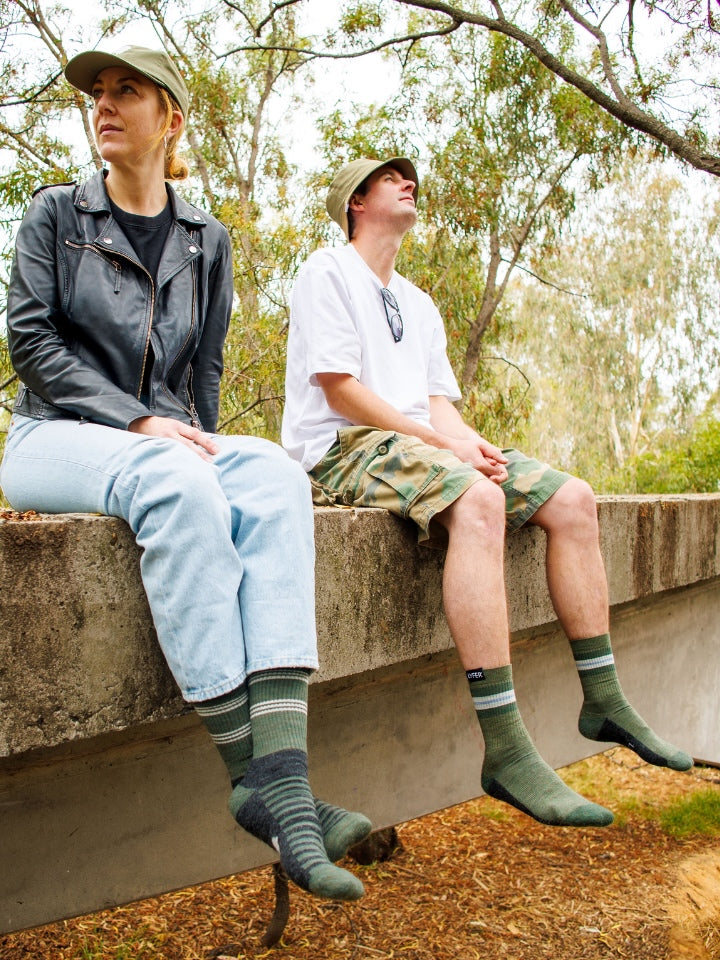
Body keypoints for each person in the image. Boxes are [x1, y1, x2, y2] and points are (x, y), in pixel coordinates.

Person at [0, 47, 370, 901]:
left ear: (170, 119)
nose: (105, 103)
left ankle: (275, 784)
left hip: (165, 436)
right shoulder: (56, 214)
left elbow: (201, 378)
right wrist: (139, 422)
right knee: (175, 480)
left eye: (126, 90)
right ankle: (271, 785)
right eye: (98, 92)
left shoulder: (207, 240)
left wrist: (197, 444)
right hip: (54, 436)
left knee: (275, 475)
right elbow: (32, 345)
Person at [282, 155, 693, 828]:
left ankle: (605, 697)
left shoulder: (416, 302)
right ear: (357, 202)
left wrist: (472, 445)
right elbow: (340, 389)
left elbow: (438, 406)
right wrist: (448, 451)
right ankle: (504, 747)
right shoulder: (327, 272)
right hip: (341, 449)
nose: (408, 182)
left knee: (573, 500)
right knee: (479, 502)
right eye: (391, 178)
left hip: (415, 445)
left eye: (408, 177)